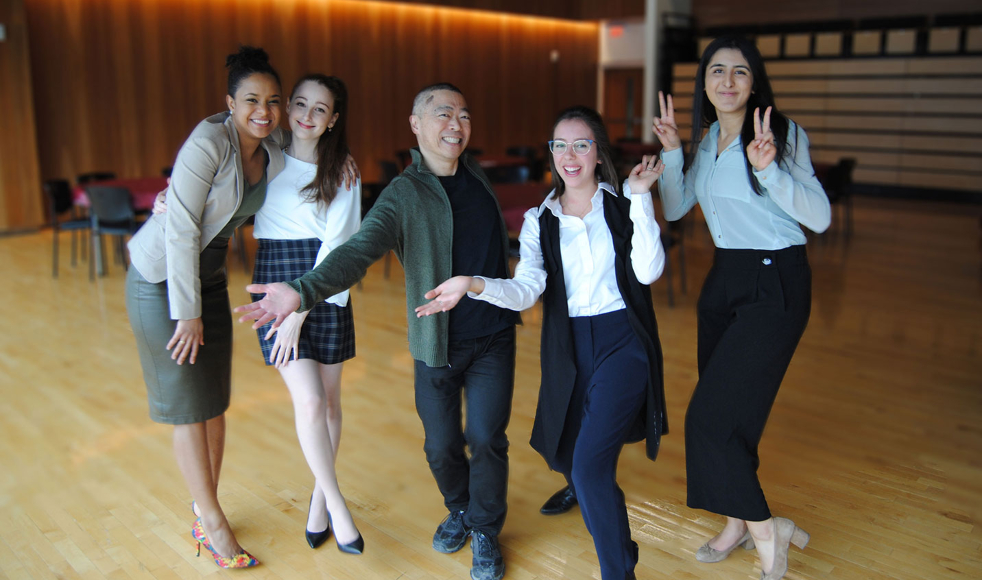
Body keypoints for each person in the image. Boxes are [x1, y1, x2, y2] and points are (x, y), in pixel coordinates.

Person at [236, 83, 517, 580]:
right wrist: (302, 291)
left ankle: (484, 530)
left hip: (494, 335)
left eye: (464, 114)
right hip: (437, 340)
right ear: (416, 124)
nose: (456, 123)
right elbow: (357, 251)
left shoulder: (479, 177)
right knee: (440, 444)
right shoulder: (403, 194)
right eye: (443, 113)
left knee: (487, 437)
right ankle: (459, 507)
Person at [416, 106, 668, 580]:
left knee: (591, 468)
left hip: (622, 343)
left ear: (598, 152)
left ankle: (619, 570)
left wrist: (639, 198)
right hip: (568, 347)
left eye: (581, 145)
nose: (569, 156)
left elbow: (648, 271)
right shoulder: (540, 220)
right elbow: (527, 289)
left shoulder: (623, 203)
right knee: (569, 456)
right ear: (550, 153)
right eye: (560, 145)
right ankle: (614, 534)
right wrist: (473, 283)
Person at [651, 35, 830, 580]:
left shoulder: (780, 133)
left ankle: (764, 526)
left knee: (708, 418)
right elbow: (679, 208)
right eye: (717, 72)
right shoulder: (706, 141)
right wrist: (674, 152)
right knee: (732, 418)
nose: (727, 81)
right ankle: (736, 521)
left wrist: (771, 170)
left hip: (775, 282)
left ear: (755, 83)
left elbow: (818, 217)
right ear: (703, 83)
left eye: (740, 72)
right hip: (724, 282)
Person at [125, 46, 285, 569]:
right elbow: (181, 227)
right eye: (251, 101)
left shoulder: (272, 145)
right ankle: (213, 522)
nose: (263, 111)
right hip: (163, 280)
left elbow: (311, 152)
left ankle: (204, 507)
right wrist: (185, 310)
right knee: (189, 408)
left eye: (273, 102)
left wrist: (340, 157)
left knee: (214, 403)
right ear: (229, 103)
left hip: (210, 279)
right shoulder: (208, 141)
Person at [250, 74, 363, 553]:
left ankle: (318, 502)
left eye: (321, 109)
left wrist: (307, 301)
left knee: (332, 403)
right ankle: (338, 505)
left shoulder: (343, 172)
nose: (307, 115)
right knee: (311, 402)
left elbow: (342, 244)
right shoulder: (262, 157)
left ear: (333, 119)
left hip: (326, 282)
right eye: (300, 103)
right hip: (276, 279)